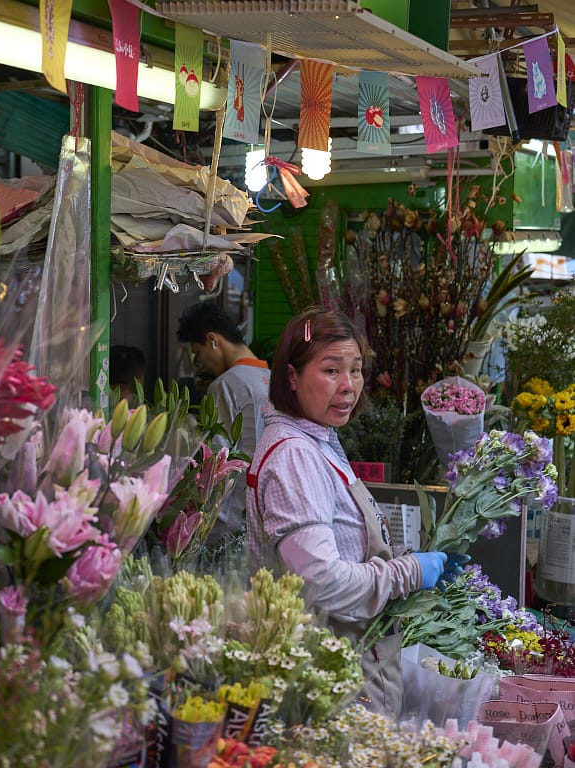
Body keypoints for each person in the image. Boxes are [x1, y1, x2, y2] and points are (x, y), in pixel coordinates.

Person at [246, 307, 463, 717]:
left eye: (357, 370)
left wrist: (405, 558)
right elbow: (322, 583)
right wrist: (409, 572)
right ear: (291, 377)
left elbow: (340, 547)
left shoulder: (319, 439)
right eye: (331, 371)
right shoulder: (294, 455)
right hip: (328, 677)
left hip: (349, 666)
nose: (349, 387)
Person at [176, 302, 271, 536]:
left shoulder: (228, 384)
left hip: (233, 513)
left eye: (199, 354)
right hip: (267, 505)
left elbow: (217, 459)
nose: (203, 364)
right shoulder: (269, 377)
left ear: (213, 340)